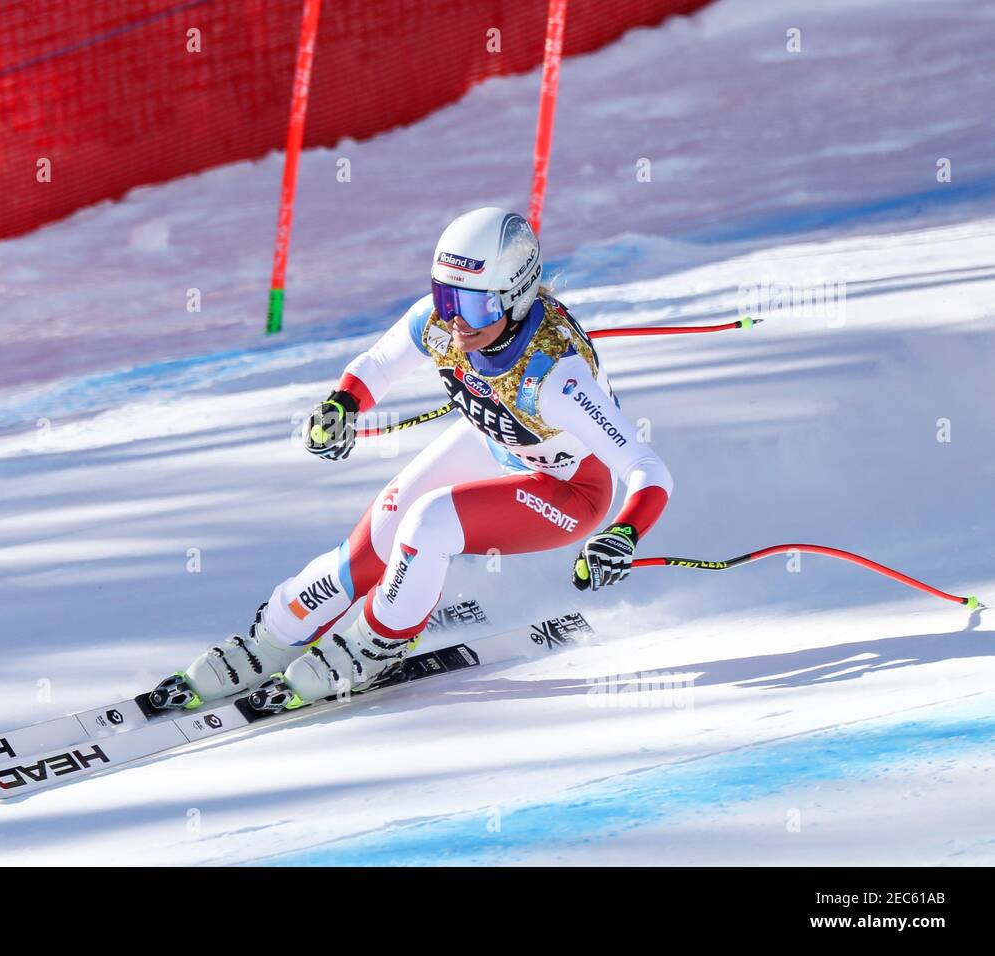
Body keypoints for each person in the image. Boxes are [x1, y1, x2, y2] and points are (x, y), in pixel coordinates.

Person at [153, 207, 672, 713]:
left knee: (429, 524)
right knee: (376, 537)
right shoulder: (441, 325)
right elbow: (380, 362)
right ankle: (275, 635)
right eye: (446, 299)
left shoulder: (557, 376)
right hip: (497, 445)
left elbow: (647, 469)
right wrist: (343, 404)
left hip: (568, 490)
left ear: (513, 299)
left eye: (475, 308)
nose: (457, 324)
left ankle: (376, 643)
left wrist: (623, 534)